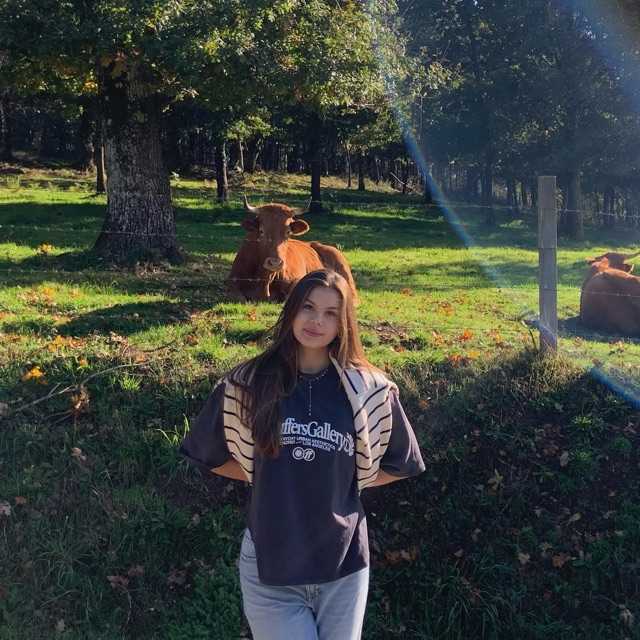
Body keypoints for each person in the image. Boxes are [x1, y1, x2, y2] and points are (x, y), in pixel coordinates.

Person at [179, 269, 425, 640]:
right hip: (271, 565)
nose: (316, 321)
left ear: (343, 323)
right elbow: (209, 455)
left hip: (343, 565)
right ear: (291, 309)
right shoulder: (247, 383)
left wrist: (347, 479)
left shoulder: (368, 389)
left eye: (330, 313)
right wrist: (261, 473)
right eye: (308, 307)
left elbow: (401, 463)